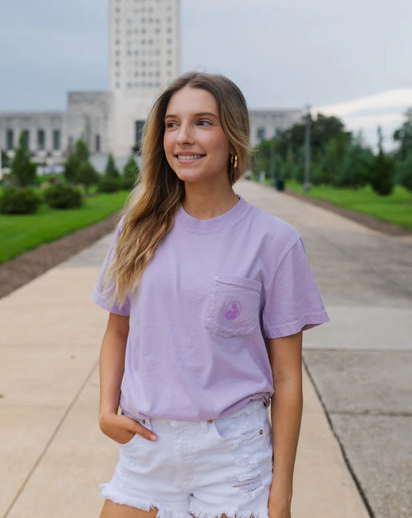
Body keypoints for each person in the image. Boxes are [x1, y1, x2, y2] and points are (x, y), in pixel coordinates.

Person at [92, 72, 329, 518]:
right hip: (148, 448)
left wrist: (281, 496)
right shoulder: (137, 231)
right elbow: (118, 330)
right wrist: (107, 410)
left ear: (232, 136)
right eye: (171, 124)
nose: (183, 137)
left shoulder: (274, 242)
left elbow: (288, 378)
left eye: (203, 122)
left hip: (232, 455)